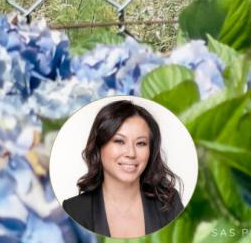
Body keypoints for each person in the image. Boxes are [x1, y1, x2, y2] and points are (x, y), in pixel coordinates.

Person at [61, 100, 185, 238]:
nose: (131, 153)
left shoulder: (169, 204)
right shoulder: (74, 210)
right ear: (99, 146)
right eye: (119, 141)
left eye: (141, 143)